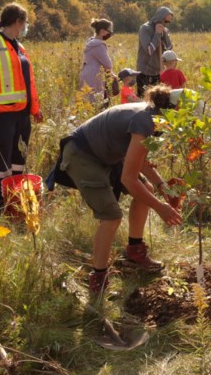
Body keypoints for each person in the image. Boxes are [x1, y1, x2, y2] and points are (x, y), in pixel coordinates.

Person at [49, 85, 185, 298]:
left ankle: (134, 251)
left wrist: (162, 187)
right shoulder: (146, 121)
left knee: (146, 190)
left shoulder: (156, 116)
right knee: (112, 217)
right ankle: (98, 276)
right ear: (174, 111)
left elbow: (138, 160)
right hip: (83, 154)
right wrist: (161, 208)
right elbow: (128, 179)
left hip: (106, 155)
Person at [0, 3, 43, 209]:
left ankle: (15, 203)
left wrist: (34, 109)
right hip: (2, 115)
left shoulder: (18, 46)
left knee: (18, 160)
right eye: (25, 22)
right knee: (1, 163)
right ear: (18, 22)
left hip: (22, 114)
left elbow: (26, 81)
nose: (26, 27)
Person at [136, 7, 174, 97]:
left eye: (169, 22)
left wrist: (164, 34)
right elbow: (149, 50)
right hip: (145, 71)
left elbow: (169, 48)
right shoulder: (145, 29)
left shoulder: (163, 30)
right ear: (160, 18)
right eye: (166, 21)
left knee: (157, 100)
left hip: (157, 71)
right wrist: (157, 33)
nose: (166, 24)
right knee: (143, 98)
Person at [78, 18, 115, 108]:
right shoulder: (99, 45)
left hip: (86, 73)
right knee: (96, 104)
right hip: (94, 76)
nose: (110, 33)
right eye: (109, 31)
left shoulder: (90, 42)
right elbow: (108, 64)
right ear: (102, 31)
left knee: (86, 101)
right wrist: (114, 76)